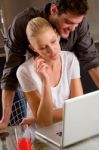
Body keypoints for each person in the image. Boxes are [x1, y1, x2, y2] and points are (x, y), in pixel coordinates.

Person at [0, 0, 99, 128]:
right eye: (68, 22)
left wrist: (41, 117)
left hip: (62, 78)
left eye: (77, 24)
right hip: (33, 80)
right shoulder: (23, 23)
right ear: (53, 11)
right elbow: (11, 72)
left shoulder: (71, 54)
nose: (73, 28)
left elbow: (91, 60)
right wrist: (4, 120)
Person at [17, 17, 83, 126]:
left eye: (53, 41)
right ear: (33, 48)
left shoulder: (70, 59)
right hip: (40, 135)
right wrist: (45, 81)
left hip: (69, 126)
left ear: (56, 34)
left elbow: (78, 106)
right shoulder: (24, 71)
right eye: (43, 48)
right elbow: (45, 121)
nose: (52, 51)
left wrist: (38, 117)